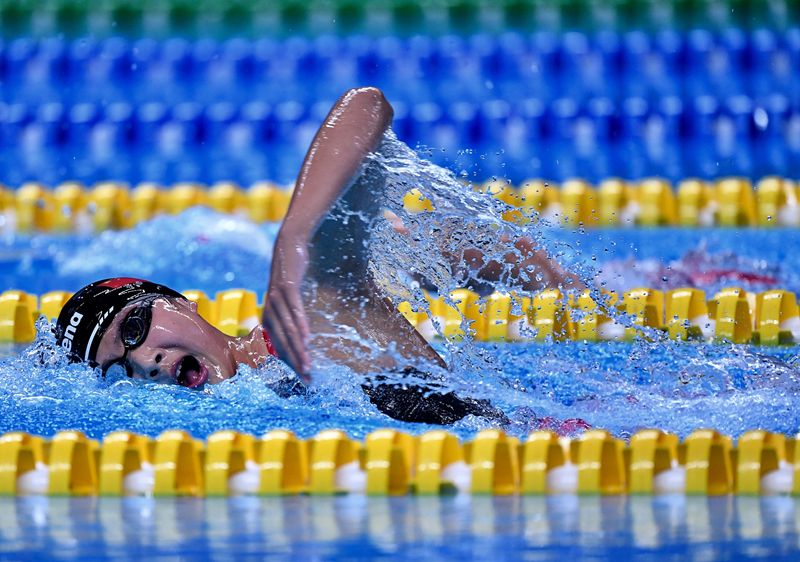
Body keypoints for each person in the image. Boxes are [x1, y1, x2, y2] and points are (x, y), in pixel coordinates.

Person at [54, 87, 582, 425]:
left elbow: (365, 105)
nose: (144, 361)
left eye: (132, 328)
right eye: (119, 370)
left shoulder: (310, 319)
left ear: (181, 303)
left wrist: (293, 239)